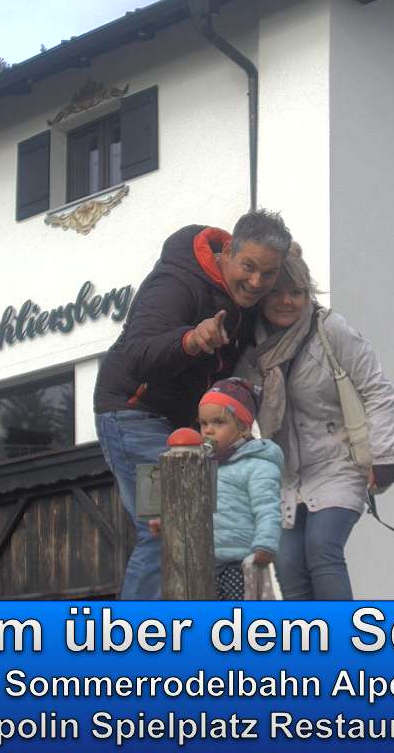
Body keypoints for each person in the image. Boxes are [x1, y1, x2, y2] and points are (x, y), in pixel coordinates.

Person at [93, 209, 291, 598]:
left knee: (205, 527)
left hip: (187, 425)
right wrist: (190, 340)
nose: (256, 282)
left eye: (268, 274)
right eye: (249, 267)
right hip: (134, 413)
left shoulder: (245, 298)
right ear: (228, 252)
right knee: (164, 529)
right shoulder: (176, 283)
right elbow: (136, 353)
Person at [241, 246, 394, 599]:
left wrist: (385, 457)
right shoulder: (252, 343)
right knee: (288, 565)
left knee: (322, 548)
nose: (287, 301)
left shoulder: (330, 329)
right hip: (287, 473)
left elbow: (378, 392)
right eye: (277, 292)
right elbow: (235, 399)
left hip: (339, 463)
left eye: (297, 292)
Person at [197, 378, 283, 599]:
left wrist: (265, 544)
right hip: (206, 563)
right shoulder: (203, 466)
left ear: (244, 428)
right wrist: (167, 523)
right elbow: (191, 508)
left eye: (218, 422)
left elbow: (267, 508)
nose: (208, 431)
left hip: (241, 563)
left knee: (239, 615)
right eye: (203, 424)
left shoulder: (257, 465)